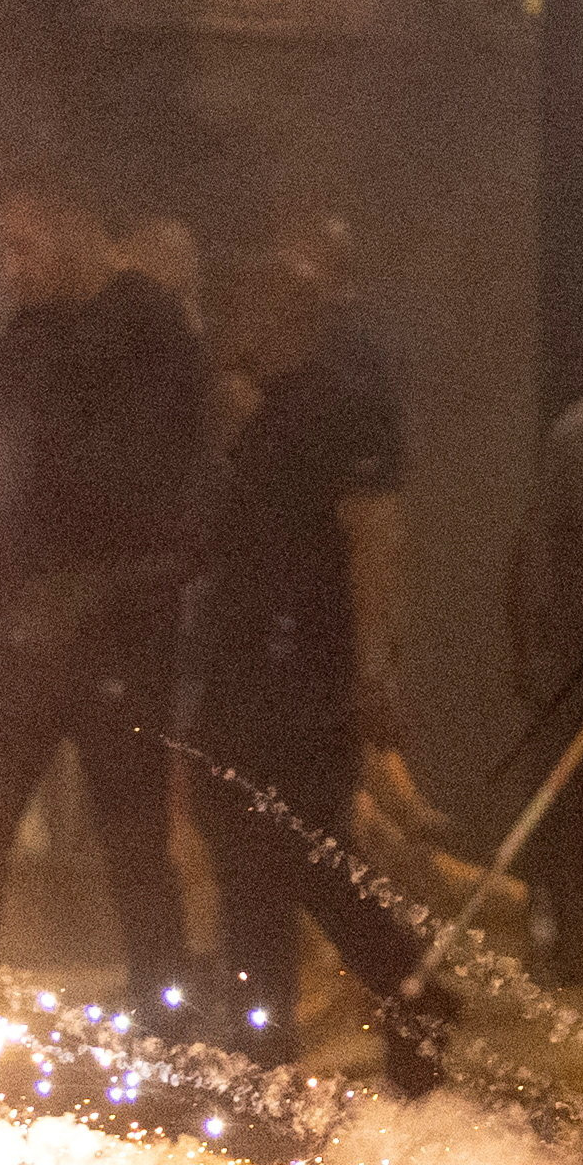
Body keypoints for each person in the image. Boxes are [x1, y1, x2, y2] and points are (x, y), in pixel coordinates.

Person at [186, 252, 448, 1093]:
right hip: (240, 660)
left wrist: (373, 666)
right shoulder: (251, 413)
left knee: (289, 843)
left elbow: (376, 534)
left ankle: (394, 989)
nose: (233, 326)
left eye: (249, 308)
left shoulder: (340, 406)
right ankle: (278, 1029)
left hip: (301, 663)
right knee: (247, 835)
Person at [0, 179, 209, 1008]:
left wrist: (82, 587)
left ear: (77, 231)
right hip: (23, 629)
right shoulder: (25, 337)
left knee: (132, 835)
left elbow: (148, 492)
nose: (10, 269)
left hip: (119, 624)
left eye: (23, 247)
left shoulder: (152, 332)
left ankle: (165, 1020)